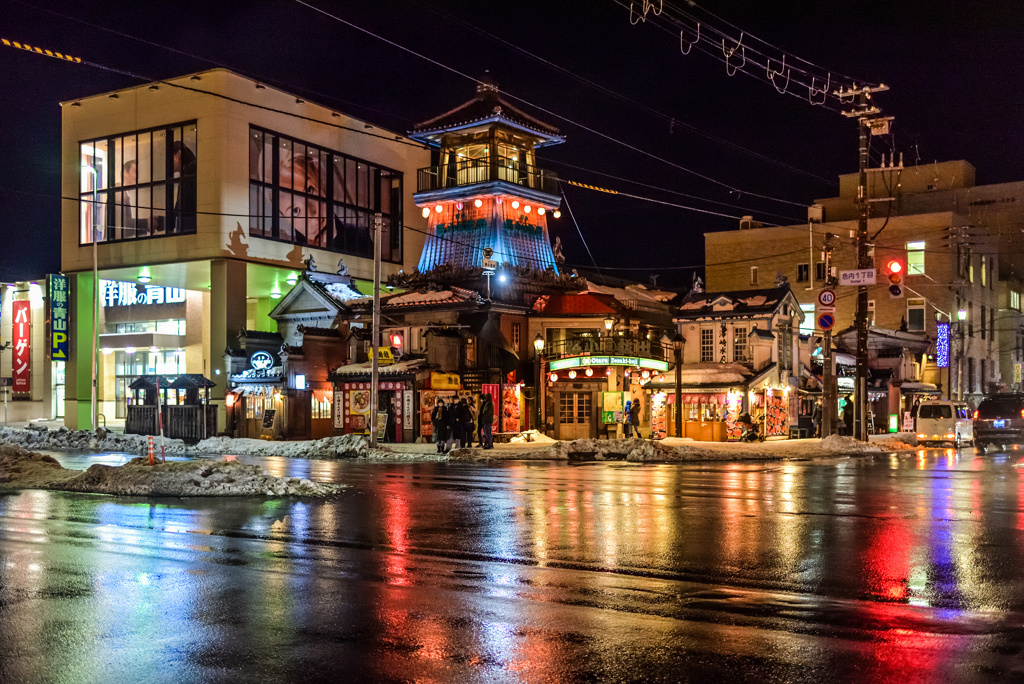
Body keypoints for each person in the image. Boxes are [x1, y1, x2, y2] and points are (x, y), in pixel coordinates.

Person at [170, 140, 197, 233]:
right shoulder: (186, 172)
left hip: (189, 227)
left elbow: (184, 205)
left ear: (178, 153)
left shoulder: (191, 169)